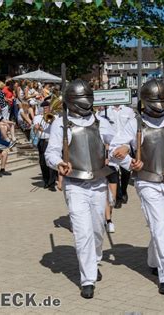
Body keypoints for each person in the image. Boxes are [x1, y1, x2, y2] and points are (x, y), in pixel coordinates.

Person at [109, 79, 164, 295]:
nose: (159, 107)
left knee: (161, 226)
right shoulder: (134, 123)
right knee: (161, 225)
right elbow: (115, 151)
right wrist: (127, 159)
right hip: (146, 182)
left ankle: (153, 260)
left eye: (162, 102)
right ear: (145, 103)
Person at [45, 79, 115, 299]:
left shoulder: (101, 122)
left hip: (98, 182)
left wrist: (118, 152)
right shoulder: (60, 123)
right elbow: (51, 152)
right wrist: (59, 164)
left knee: (96, 229)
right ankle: (87, 279)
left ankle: (94, 261)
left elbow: (116, 145)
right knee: (82, 231)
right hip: (75, 183)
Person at [33, 101, 57, 191]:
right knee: (43, 162)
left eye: (47, 107)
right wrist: (38, 127)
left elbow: (56, 126)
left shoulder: (55, 117)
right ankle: (46, 181)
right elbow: (36, 126)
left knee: (51, 161)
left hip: (51, 141)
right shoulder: (37, 117)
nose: (45, 109)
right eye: (44, 108)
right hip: (42, 141)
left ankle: (52, 183)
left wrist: (51, 120)